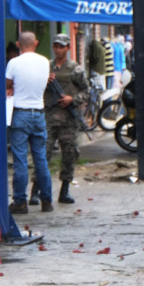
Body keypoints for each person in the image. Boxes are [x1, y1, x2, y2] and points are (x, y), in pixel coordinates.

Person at [5, 31, 53, 214]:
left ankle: (20, 202)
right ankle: (46, 200)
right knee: (41, 159)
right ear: (36, 43)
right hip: (39, 114)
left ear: (18, 44)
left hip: (20, 114)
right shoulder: (44, 62)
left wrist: (13, 87)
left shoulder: (14, 63)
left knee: (20, 160)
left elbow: (8, 85)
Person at [46, 33, 88, 204]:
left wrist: (73, 99)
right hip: (49, 117)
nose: (58, 49)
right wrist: (44, 80)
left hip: (68, 120)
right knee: (43, 154)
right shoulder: (46, 67)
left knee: (69, 154)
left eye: (61, 46)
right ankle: (37, 190)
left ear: (68, 48)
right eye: (56, 46)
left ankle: (65, 190)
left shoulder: (75, 69)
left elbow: (86, 92)